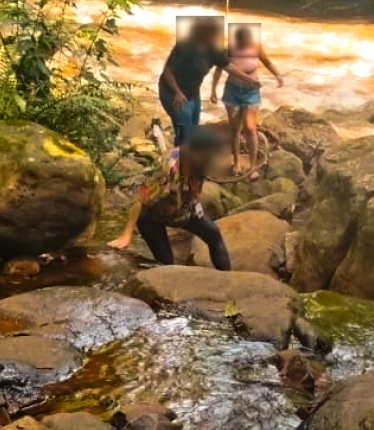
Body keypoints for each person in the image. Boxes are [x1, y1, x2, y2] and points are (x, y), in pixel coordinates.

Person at [107, 127, 231, 270]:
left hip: (185, 210)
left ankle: (228, 279)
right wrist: (126, 234)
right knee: (167, 265)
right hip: (153, 218)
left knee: (213, 235)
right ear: (194, 152)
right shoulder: (169, 168)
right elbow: (141, 200)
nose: (211, 159)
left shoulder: (199, 160)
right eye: (208, 155)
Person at [211, 25, 283, 180]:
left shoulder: (257, 48)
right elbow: (218, 69)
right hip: (233, 91)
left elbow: (267, 62)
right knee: (235, 129)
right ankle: (236, 162)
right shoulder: (228, 49)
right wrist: (213, 90)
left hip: (251, 92)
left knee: (250, 128)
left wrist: (278, 75)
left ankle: (252, 166)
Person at [159, 18, 227, 146]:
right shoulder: (184, 47)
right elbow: (167, 72)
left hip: (193, 93)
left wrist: (248, 79)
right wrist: (177, 92)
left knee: (191, 130)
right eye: (213, 34)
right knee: (186, 130)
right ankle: (180, 163)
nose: (216, 37)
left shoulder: (213, 50)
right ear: (202, 34)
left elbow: (228, 66)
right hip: (172, 92)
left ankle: (180, 158)